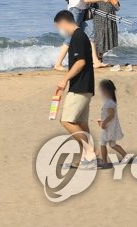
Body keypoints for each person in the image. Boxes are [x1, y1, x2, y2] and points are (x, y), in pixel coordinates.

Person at [52, 10, 96, 166]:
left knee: (67, 121)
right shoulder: (80, 36)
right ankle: (83, 158)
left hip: (80, 86)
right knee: (81, 124)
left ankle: (90, 153)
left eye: (58, 26)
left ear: (63, 22)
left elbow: (80, 62)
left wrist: (64, 79)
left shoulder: (77, 36)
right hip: (85, 85)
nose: (59, 29)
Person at [87, 0, 121, 68]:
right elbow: (89, 0)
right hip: (103, 11)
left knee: (101, 34)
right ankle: (98, 59)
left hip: (103, 11)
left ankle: (98, 59)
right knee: (102, 34)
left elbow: (88, 0)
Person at [96, 79, 126, 163]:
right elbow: (108, 114)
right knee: (112, 144)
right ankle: (125, 156)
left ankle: (104, 161)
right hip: (110, 126)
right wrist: (101, 120)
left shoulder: (109, 102)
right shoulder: (109, 101)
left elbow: (111, 115)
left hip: (108, 127)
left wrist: (104, 122)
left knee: (102, 143)